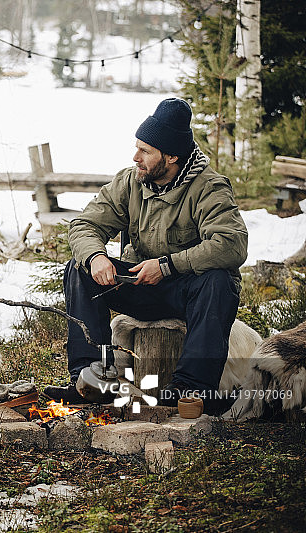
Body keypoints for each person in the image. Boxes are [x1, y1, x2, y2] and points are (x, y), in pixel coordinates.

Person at [44, 98, 248, 410]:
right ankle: (90, 377)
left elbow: (231, 244)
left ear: (172, 156)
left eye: (146, 151)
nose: (136, 157)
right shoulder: (130, 180)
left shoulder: (210, 187)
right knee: (78, 267)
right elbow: (85, 225)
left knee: (219, 280)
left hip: (186, 292)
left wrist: (168, 266)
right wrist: (96, 256)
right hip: (139, 284)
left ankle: (190, 389)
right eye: (137, 146)